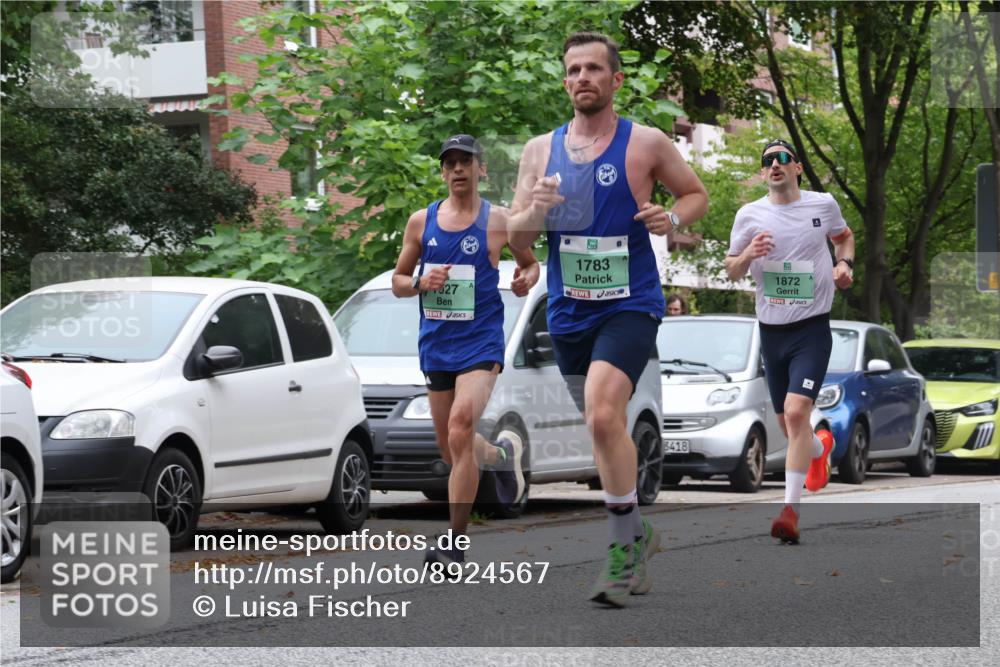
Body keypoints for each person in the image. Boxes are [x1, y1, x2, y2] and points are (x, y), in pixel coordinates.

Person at [508, 32, 709, 607]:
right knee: (604, 427)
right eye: (573, 70)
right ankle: (639, 533)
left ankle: (621, 550)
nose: (582, 79)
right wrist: (533, 211)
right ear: (565, 80)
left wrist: (670, 216)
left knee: (601, 411)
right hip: (568, 310)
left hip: (631, 302)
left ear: (615, 80)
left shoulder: (644, 143)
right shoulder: (537, 151)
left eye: (594, 69)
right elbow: (518, 240)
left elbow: (696, 195)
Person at [393, 134, 540, 566]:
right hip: (437, 344)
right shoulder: (422, 222)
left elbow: (530, 264)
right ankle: (499, 454)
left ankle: (455, 545)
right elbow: (398, 282)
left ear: (481, 168)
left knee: (460, 427)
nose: (458, 169)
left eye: (466, 161)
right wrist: (420, 282)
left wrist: (522, 280)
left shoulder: (500, 220)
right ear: (442, 172)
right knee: (450, 447)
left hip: (481, 343)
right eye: (450, 163)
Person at [724, 139, 854, 544]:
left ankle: (790, 513)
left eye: (783, 158)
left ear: (797, 167)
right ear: (763, 173)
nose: (775, 164)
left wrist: (845, 263)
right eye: (768, 161)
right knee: (788, 424)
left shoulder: (822, 205)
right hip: (771, 331)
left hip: (811, 328)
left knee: (797, 413)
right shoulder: (749, 215)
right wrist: (748, 254)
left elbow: (844, 237)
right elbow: (731, 270)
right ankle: (821, 447)